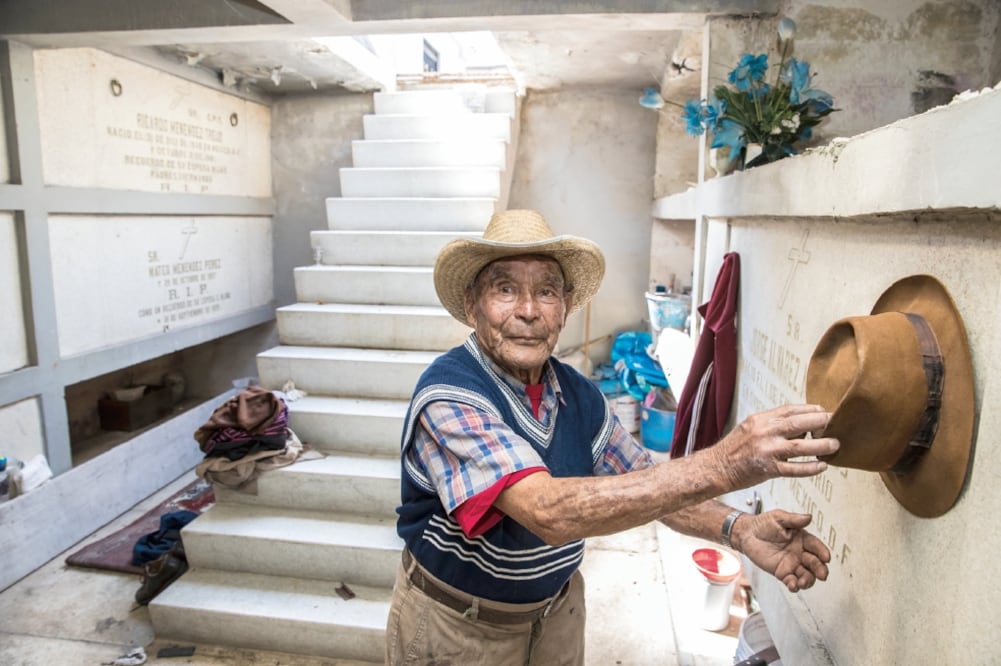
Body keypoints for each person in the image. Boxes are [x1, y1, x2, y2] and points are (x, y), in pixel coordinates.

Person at [386, 209, 839, 665]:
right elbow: (547, 511)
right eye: (505, 290)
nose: (528, 310)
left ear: (563, 309)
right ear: (472, 306)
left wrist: (739, 529)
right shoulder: (449, 395)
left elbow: (645, 480)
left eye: (546, 292)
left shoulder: (578, 393)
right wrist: (724, 463)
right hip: (460, 629)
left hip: (557, 613)